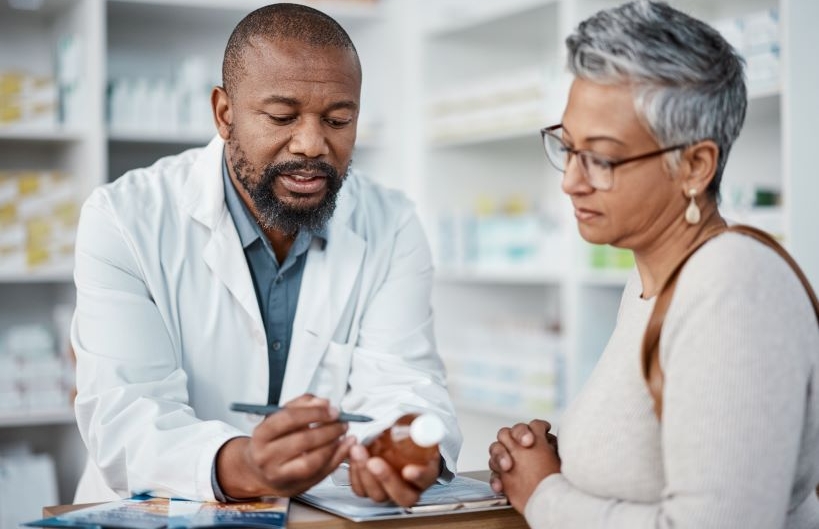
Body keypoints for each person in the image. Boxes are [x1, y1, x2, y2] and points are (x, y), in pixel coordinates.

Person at [71, 3, 461, 507]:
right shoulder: (124, 218)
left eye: (339, 119)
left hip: (319, 517)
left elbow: (405, 379)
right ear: (224, 114)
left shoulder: (392, 223)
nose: (312, 144)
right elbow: (124, 416)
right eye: (282, 117)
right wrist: (245, 466)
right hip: (158, 511)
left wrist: (407, 442)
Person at [488, 1, 819, 527]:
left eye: (601, 157)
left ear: (694, 165)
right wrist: (553, 454)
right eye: (568, 148)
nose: (571, 180)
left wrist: (545, 493)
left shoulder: (733, 285)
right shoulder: (651, 283)